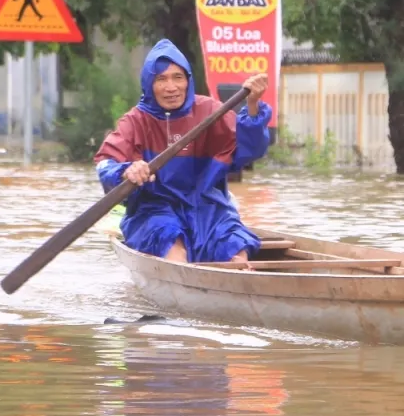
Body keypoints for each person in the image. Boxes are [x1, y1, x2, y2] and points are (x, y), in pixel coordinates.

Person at [94, 39, 272, 265]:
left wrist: (254, 106)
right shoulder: (135, 120)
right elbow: (105, 162)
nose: (171, 87)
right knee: (171, 245)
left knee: (236, 249)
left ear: (188, 81)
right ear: (149, 84)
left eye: (178, 77)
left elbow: (250, 149)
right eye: (161, 79)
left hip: (208, 206)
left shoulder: (210, 111)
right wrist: (127, 170)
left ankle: (240, 280)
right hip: (154, 209)